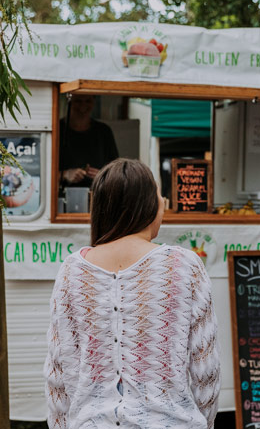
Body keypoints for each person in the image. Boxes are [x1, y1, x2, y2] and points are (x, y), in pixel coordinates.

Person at [44, 158, 220, 429]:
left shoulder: (72, 270)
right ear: (149, 205)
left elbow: (57, 374)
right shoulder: (184, 265)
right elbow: (205, 371)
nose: (163, 202)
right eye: (160, 196)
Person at [59, 94, 119, 188]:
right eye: (78, 101)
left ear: (94, 102)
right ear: (69, 102)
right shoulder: (58, 130)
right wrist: (65, 174)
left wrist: (102, 175)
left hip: (97, 196)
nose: (83, 106)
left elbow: (116, 171)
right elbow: (40, 173)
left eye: (88, 101)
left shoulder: (103, 131)